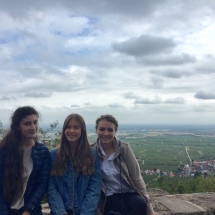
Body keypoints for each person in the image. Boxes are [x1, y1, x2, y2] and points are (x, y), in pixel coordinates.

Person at [91, 114, 157, 215]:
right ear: (96, 130)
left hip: (128, 192)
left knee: (141, 204)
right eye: (102, 129)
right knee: (117, 211)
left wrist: (150, 210)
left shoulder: (124, 148)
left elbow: (136, 178)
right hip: (108, 194)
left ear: (115, 132)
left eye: (110, 130)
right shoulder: (91, 151)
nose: (106, 133)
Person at [47, 113, 102, 215]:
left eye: (76, 127)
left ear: (82, 130)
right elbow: (51, 187)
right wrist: (61, 212)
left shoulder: (92, 156)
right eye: (68, 127)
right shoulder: (53, 155)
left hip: (84, 211)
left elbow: (94, 188)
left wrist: (86, 213)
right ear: (64, 130)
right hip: (60, 211)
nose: (71, 131)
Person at [0, 106, 51, 215]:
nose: (33, 127)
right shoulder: (5, 150)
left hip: (31, 211)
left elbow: (42, 184)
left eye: (35, 122)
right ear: (18, 127)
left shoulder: (43, 151)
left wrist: (28, 210)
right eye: (27, 124)